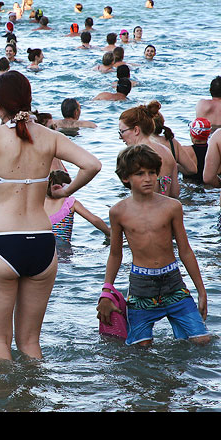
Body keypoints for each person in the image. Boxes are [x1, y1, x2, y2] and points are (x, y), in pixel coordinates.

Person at [0, 71, 101, 360]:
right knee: (31, 344)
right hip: (42, 245)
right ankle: (33, 400)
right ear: (29, 98)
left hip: (3, 242)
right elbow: (93, 164)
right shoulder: (50, 136)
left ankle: (4, 400)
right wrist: (65, 191)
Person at [96, 144, 210, 347]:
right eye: (140, 173)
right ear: (126, 178)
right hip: (141, 285)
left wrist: (201, 290)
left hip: (173, 282)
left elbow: (185, 250)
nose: (148, 178)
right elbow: (115, 255)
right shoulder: (118, 212)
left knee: (201, 339)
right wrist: (106, 291)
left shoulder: (172, 206)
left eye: (152, 172)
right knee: (140, 347)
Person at [117, 100, 179, 197]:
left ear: (136, 130)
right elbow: (175, 192)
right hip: (166, 209)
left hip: (145, 210)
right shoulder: (167, 151)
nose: (120, 137)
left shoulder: (136, 155)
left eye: (122, 132)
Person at [44, 170, 110, 242]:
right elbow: (95, 220)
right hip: (63, 248)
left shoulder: (38, 203)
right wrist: (109, 233)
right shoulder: (69, 203)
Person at [151, 106, 197, 177]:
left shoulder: (141, 144)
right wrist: (173, 165)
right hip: (169, 185)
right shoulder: (172, 142)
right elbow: (192, 169)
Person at [182, 117, 211, 184]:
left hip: (190, 187)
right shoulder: (214, 151)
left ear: (192, 134)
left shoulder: (185, 150)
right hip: (210, 188)